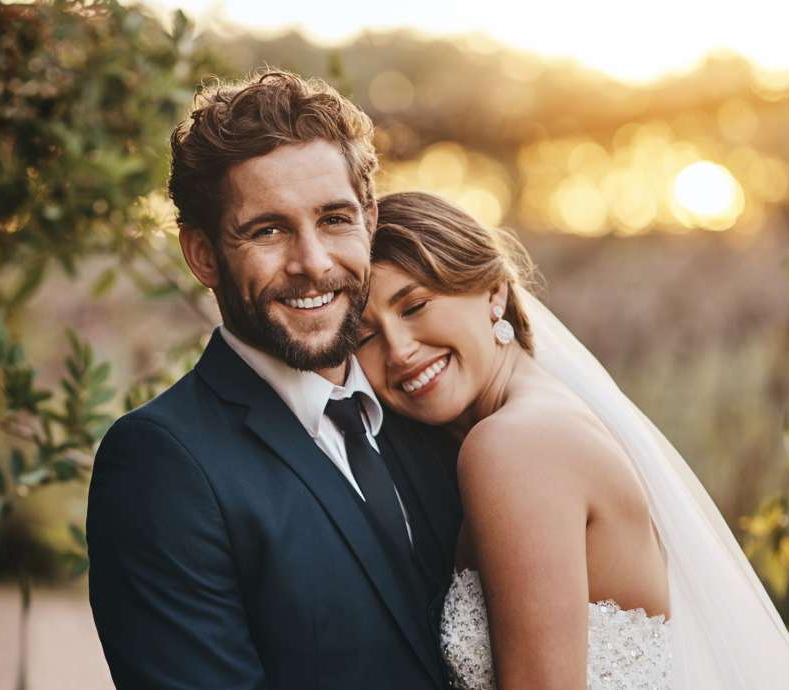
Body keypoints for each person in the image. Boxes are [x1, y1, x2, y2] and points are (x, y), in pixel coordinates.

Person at [86, 74, 461, 690]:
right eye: (267, 230)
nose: (311, 262)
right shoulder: (162, 464)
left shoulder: (428, 408)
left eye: (334, 219)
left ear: (369, 220)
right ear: (203, 255)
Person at [356, 191, 789, 690]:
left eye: (414, 306)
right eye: (365, 336)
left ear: (493, 292)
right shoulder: (545, 417)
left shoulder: (513, 447)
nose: (398, 350)